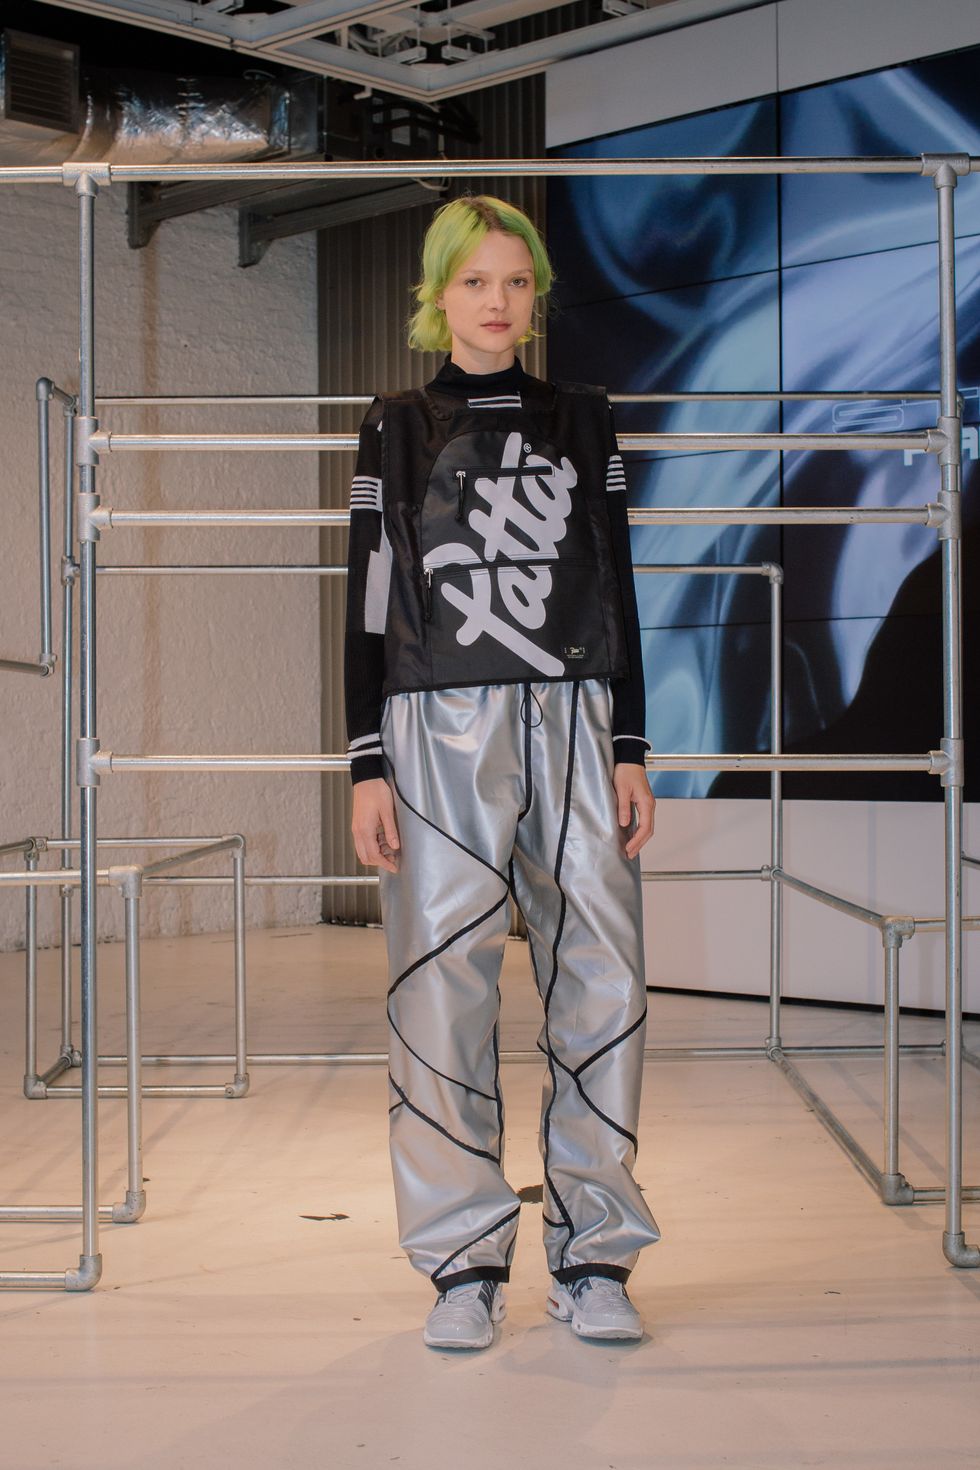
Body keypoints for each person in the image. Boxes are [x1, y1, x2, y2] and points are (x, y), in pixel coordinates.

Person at [344, 194, 660, 1351]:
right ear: (438, 295)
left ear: (536, 296)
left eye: (515, 282)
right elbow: (367, 596)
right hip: (437, 724)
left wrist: (629, 745)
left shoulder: (583, 418)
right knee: (441, 985)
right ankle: (462, 1265)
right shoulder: (393, 425)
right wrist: (364, 759)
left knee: (603, 980)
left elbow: (615, 584)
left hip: (575, 715)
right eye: (474, 281)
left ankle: (596, 1256)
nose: (497, 301)